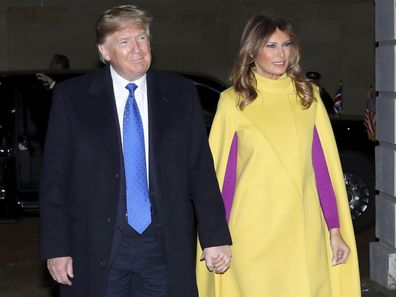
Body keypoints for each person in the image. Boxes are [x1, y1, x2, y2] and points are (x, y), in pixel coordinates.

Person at [40, 5, 231, 297]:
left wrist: (215, 236)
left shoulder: (179, 93)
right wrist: (57, 248)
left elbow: (200, 170)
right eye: (124, 42)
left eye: (142, 38)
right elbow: (54, 181)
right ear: (105, 52)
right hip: (97, 246)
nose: (137, 49)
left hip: (163, 248)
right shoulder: (72, 98)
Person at [196, 14, 360, 297]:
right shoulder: (233, 100)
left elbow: (322, 170)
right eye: (271, 46)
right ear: (252, 51)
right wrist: (216, 238)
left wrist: (335, 230)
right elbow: (223, 178)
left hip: (302, 230)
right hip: (250, 232)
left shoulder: (308, 96)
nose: (281, 53)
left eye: (286, 44)